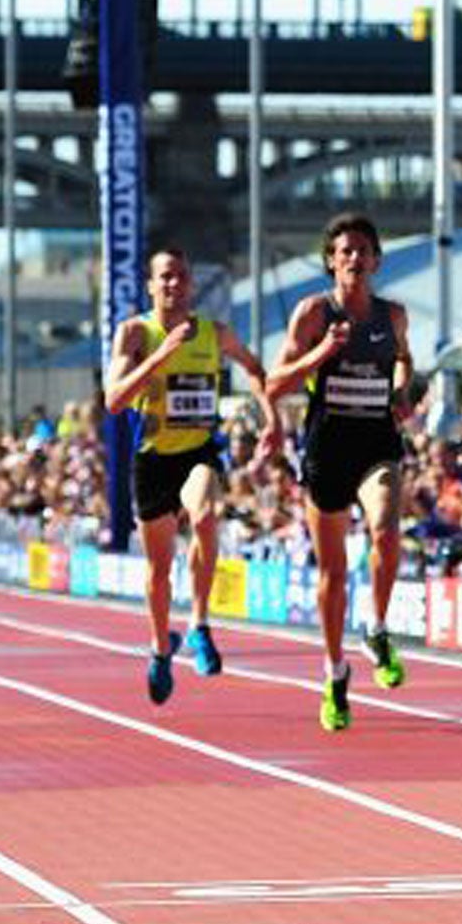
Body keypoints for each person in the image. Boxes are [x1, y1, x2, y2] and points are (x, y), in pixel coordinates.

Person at [104, 245, 281, 705]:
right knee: (158, 569)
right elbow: (115, 400)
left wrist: (272, 421)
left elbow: (256, 370)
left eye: (181, 276)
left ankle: (200, 624)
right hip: (152, 459)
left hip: (199, 451)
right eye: (164, 277)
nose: (173, 284)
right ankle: (161, 647)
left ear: (191, 284)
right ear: (150, 285)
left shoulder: (214, 333)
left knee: (205, 513)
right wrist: (161, 355)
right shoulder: (134, 333)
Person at [269, 213, 414, 731]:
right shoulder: (312, 314)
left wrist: (401, 392)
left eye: (362, 250)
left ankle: (375, 627)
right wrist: (323, 351)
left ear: (376, 261)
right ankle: (335, 673)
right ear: (331, 260)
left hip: (377, 441)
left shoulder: (392, 315)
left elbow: (404, 360)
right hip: (327, 448)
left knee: (386, 531)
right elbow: (274, 384)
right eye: (344, 251)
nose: (353, 258)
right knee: (331, 574)